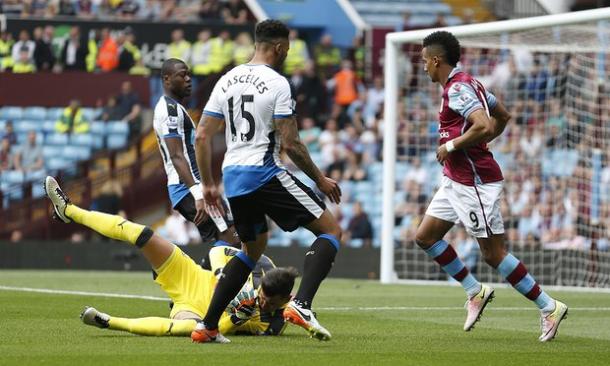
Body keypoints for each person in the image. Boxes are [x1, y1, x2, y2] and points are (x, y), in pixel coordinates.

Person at [193, 19, 343, 343]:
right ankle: (301, 305)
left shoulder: (227, 79)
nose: (288, 54)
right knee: (331, 230)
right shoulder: (278, 84)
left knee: (251, 249)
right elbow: (291, 144)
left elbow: (202, 135)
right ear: (278, 47)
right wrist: (320, 180)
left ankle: (206, 325)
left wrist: (207, 184)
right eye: (287, 49)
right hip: (264, 172)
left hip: (232, 177)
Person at [414, 31, 568, 342]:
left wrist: (454, 145)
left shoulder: (459, 90)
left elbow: (485, 123)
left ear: (436, 60)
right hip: (455, 179)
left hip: (475, 183)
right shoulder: (471, 84)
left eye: (424, 63)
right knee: (425, 236)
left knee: (493, 254)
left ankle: (549, 307)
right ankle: (475, 290)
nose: (423, 69)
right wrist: (479, 144)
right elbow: (503, 115)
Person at [43, 176, 295, 339]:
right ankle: (69, 211)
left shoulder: (273, 322)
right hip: (192, 277)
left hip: (201, 313)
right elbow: (218, 250)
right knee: (141, 234)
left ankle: (109, 322)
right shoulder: (260, 265)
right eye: (262, 297)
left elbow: (221, 328)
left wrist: (235, 318)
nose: (263, 304)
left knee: (188, 329)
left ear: (287, 299)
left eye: (269, 304)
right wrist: (222, 276)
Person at [153, 58, 240, 250]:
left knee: (229, 239)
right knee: (230, 239)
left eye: (189, 74)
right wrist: (197, 194)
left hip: (196, 186)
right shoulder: (169, 110)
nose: (188, 79)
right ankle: (175, 273)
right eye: (182, 75)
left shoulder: (176, 108)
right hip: (187, 188)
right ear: (167, 80)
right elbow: (176, 155)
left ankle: (200, 276)